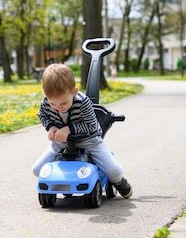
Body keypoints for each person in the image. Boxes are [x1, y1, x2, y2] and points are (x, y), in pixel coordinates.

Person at [31, 63, 133, 198]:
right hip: (61, 143)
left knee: (113, 170)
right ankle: (64, 183)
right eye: (53, 104)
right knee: (37, 170)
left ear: (74, 92)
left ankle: (120, 183)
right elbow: (42, 115)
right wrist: (51, 127)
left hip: (90, 141)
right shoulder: (46, 102)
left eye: (63, 103)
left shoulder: (83, 102)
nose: (58, 107)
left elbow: (91, 125)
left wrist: (69, 129)